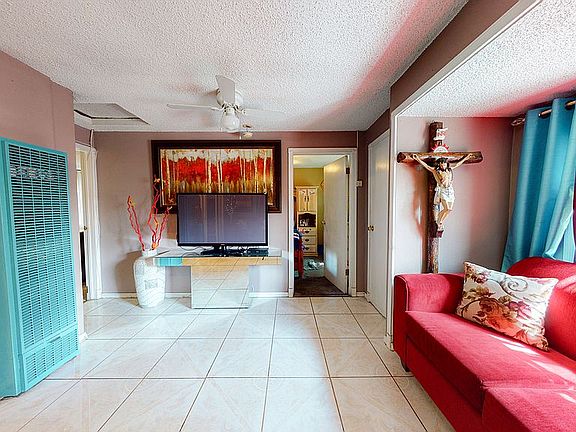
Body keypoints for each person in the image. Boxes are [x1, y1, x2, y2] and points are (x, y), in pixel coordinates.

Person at [412, 153, 472, 230]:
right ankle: (438, 222)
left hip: (450, 190)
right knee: (447, 208)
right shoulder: (435, 171)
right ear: (439, 165)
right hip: (442, 190)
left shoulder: (449, 169)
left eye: (444, 164)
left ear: (446, 164)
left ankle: (440, 222)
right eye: (441, 164)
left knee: (449, 209)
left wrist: (465, 158)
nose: (443, 166)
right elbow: (426, 166)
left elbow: (457, 164)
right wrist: (418, 159)